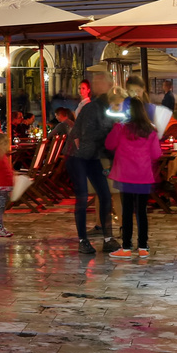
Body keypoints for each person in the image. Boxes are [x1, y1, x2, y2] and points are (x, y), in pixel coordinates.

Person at [105, 95, 162, 259]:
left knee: (127, 211)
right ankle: (143, 247)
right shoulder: (151, 130)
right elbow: (156, 154)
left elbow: (109, 144)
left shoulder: (121, 128)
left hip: (125, 175)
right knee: (142, 212)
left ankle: (127, 247)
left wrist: (116, 129)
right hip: (143, 175)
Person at [68, 74, 119, 255]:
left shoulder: (106, 108)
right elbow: (88, 135)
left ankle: (107, 239)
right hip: (78, 156)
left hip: (92, 156)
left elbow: (109, 137)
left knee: (105, 195)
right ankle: (83, 240)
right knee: (82, 198)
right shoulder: (92, 108)